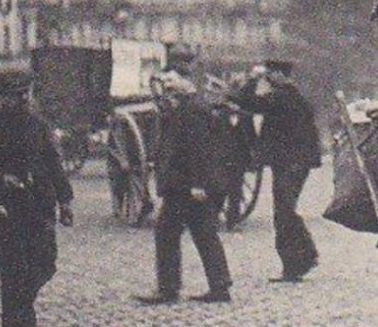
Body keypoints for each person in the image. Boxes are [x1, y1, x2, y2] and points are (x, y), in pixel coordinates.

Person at [0, 70, 74, 327]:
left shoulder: (38, 125)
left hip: (39, 205)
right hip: (6, 208)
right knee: (12, 269)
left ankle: (23, 310)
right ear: (2, 97)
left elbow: (54, 163)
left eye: (24, 95)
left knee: (45, 262)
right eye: (14, 96)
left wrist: (65, 200)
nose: (20, 100)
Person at [135, 71, 234, 304]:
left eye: (168, 93)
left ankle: (169, 288)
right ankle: (219, 285)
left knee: (168, 233)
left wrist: (198, 184)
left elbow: (198, 150)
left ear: (177, 94)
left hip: (187, 186)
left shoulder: (189, 114)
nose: (164, 99)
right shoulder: (190, 110)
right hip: (185, 185)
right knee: (203, 233)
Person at [232, 59, 322, 282]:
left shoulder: (282, 96)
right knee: (285, 211)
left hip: (290, 163)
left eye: (271, 75)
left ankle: (298, 262)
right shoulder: (290, 95)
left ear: (281, 75)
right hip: (295, 162)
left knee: (284, 212)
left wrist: (251, 80)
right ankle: (302, 259)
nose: (268, 80)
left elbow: (248, 102)